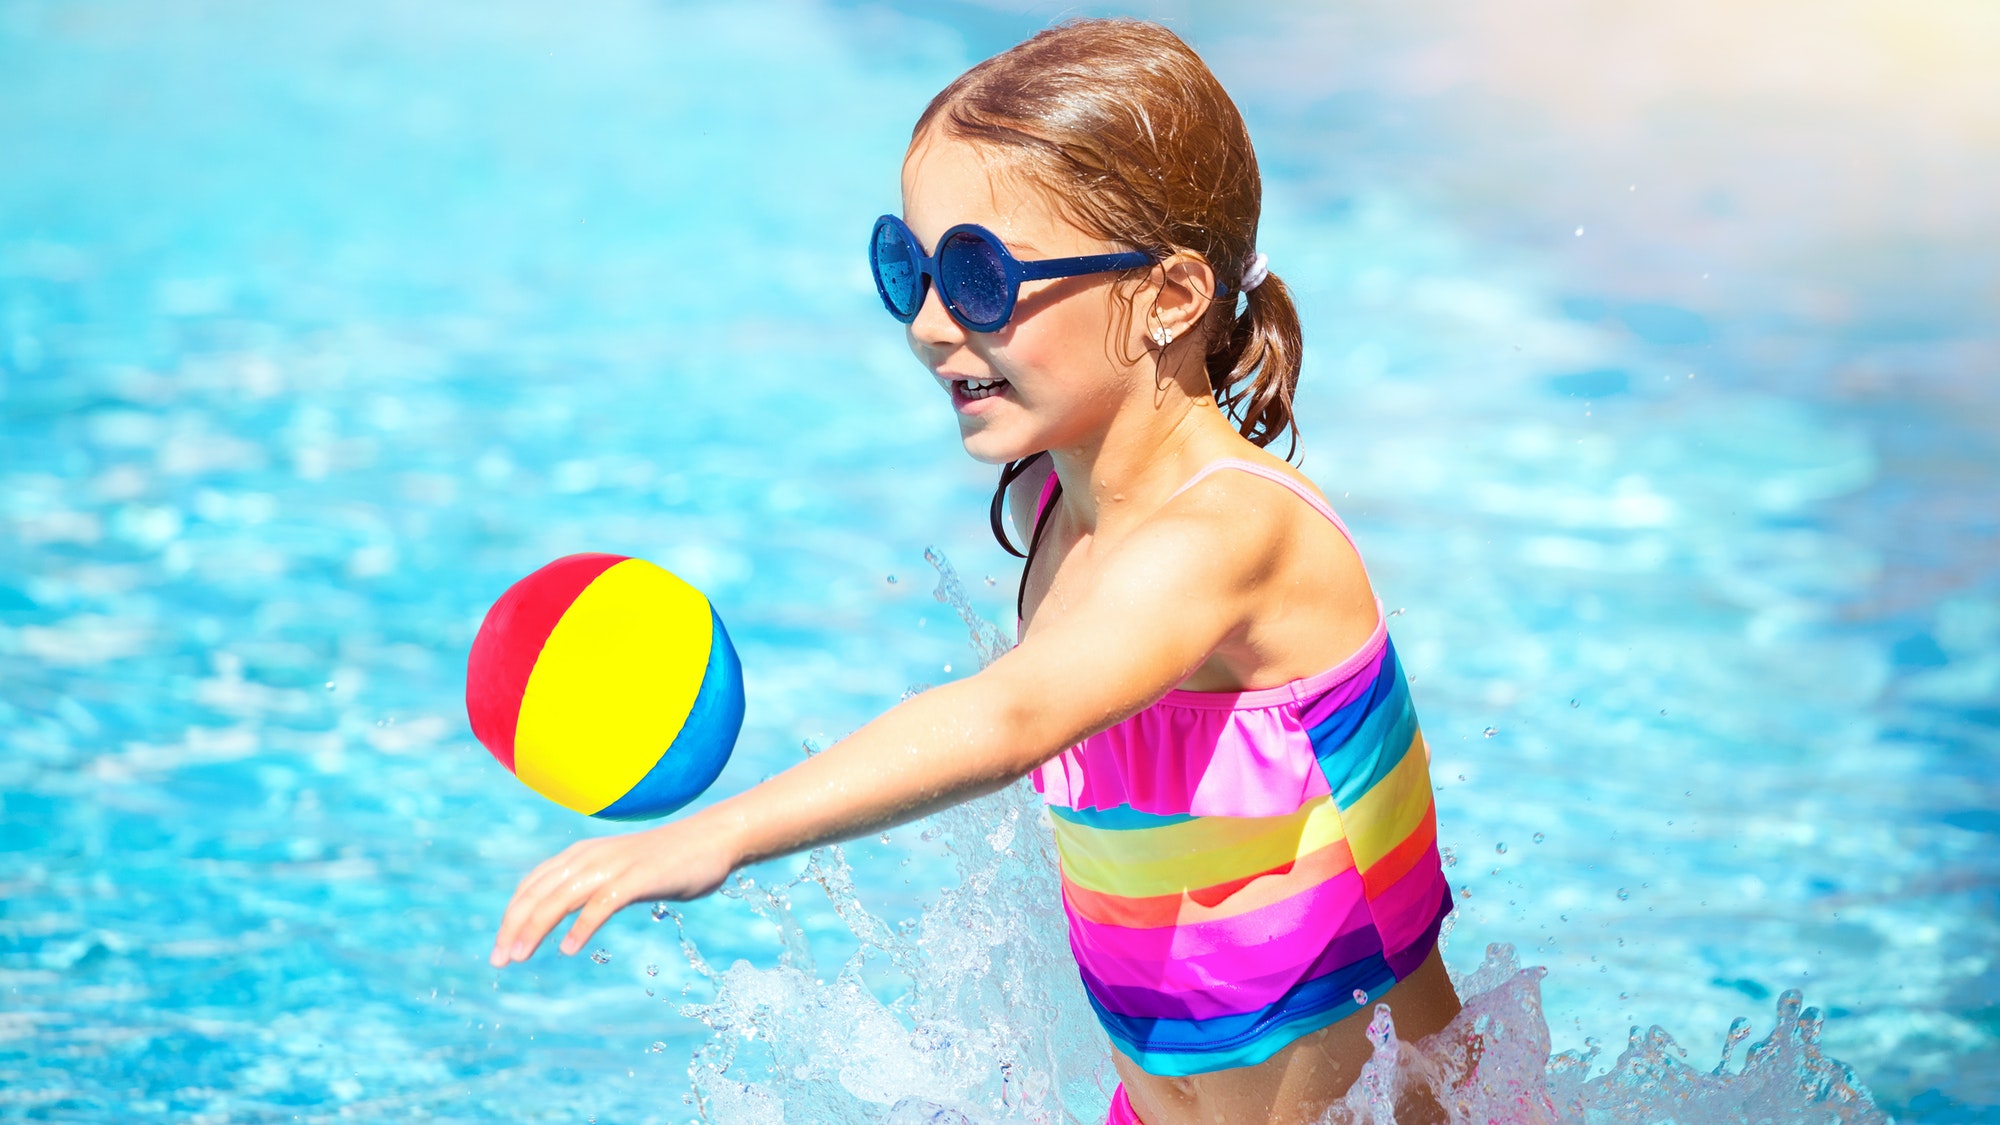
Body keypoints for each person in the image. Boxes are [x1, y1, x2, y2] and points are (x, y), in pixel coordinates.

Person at [491, 18, 1460, 1124]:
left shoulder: (1231, 536)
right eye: (908, 269)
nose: (928, 325)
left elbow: (1010, 719)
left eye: (979, 277)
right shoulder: (1058, 500)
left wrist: (719, 832)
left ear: (1170, 296)